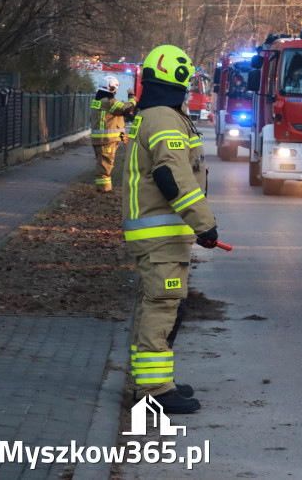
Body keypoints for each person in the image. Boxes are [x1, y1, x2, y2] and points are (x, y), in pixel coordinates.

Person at [123, 44, 218, 414]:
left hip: (157, 234)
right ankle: (155, 392)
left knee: (156, 306)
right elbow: (172, 175)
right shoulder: (164, 117)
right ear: (178, 76)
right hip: (161, 235)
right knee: (162, 307)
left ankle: (148, 382)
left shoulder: (157, 113)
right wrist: (205, 224)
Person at [90, 75, 136, 192]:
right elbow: (126, 107)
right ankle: (104, 189)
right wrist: (132, 97)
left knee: (103, 163)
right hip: (107, 140)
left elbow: (113, 119)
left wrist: (122, 137)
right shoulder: (109, 102)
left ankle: (103, 188)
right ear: (111, 89)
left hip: (101, 139)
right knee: (106, 164)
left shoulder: (98, 101)